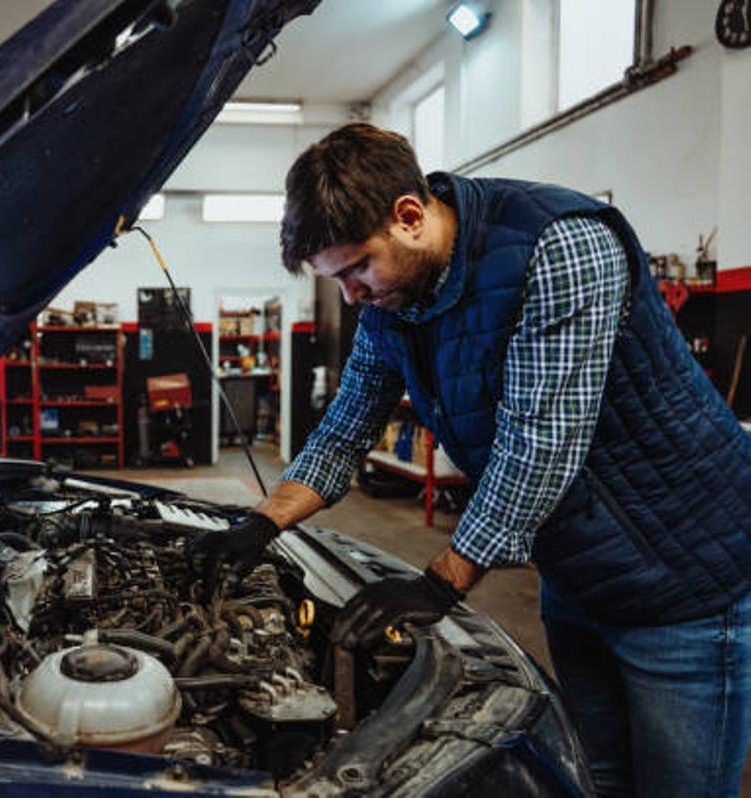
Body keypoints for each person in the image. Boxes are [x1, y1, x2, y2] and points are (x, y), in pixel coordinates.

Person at [191, 123, 751, 797]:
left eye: (357, 269)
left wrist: (441, 581)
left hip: (687, 581)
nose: (352, 296)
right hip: (579, 578)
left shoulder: (561, 244)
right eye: (337, 280)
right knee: (595, 781)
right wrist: (263, 523)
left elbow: (540, 441)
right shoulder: (394, 302)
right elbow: (347, 422)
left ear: (409, 215)